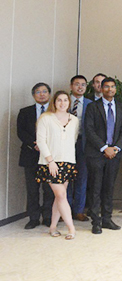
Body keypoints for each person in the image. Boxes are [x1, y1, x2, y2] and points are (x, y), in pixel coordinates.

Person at [85, 77, 122, 234]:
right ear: (101, 89)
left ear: (116, 89)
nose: (110, 89)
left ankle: (107, 219)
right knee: (95, 188)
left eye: (112, 87)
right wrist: (104, 148)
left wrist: (116, 148)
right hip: (96, 153)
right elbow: (89, 129)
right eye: (107, 87)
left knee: (109, 187)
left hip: (114, 154)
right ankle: (95, 221)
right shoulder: (92, 107)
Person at [35, 91, 79, 240]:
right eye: (59, 100)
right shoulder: (46, 118)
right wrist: (50, 161)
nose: (62, 103)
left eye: (65, 100)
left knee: (59, 197)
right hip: (50, 163)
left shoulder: (74, 120)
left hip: (68, 161)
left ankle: (53, 227)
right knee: (60, 195)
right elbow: (41, 141)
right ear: (54, 102)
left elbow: (73, 139)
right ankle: (71, 228)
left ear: (69, 102)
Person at [17, 82, 55, 229]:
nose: (42, 94)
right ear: (33, 95)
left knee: (48, 189)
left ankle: (47, 217)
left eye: (45, 91)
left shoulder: (55, 112)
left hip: (49, 156)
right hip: (30, 154)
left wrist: (45, 146)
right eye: (38, 92)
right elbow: (21, 132)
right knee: (32, 189)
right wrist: (35, 144)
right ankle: (33, 218)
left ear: (49, 94)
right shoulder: (25, 112)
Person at [68, 75, 92, 222]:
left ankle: (79, 210)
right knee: (65, 177)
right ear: (71, 86)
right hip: (65, 145)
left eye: (83, 84)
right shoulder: (63, 101)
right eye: (77, 84)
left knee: (82, 178)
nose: (80, 87)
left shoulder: (91, 104)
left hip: (83, 144)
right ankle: (65, 210)